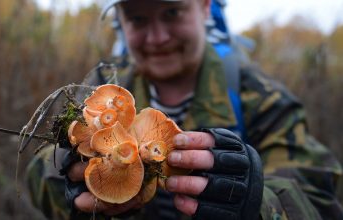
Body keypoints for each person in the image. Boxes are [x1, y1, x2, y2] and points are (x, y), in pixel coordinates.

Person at [26, 0, 343, 219]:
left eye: (172, 12)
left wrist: (257, 203)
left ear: (205, 6)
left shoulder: (262, 99)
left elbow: (321, 201)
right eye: (138, 19)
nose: (157, 37)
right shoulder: (103, 87)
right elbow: (36, 173)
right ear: (121, 21)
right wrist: (68, 182)